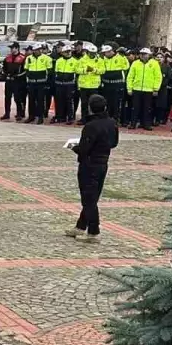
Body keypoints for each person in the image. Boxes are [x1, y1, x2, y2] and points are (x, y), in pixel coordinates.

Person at [66, 95, 119, 242]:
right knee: (92, 197)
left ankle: (94, 232)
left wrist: (73, 147)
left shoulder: (91, 126)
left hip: (89, 164)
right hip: (103, 163)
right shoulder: (112, 123)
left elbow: (83, 149)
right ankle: (81, 226)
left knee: (88, 199)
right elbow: (114, 143)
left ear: (90, 108)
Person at [126, 47, 162, 131]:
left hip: (149, 89)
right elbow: (130, 76)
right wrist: (129, 88)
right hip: (137, 88)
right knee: (135, 107)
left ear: (149, 55)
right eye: (141, 54)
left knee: (147, 108)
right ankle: (133, 123)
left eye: (145, 54)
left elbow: (158, 77)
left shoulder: (154, 63)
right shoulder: (135, 63)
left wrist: (156, 88)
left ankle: (146, 124)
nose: (143, 55)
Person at [100, 45, 129, 120]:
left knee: (116, 103)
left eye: (105, 53)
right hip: (107, 84)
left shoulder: (120, 57)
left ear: (110, 51)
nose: (104, 54)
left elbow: (126, 67)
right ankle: (108, 117)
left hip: (117, 84)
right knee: (108, 102)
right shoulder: (103, 59)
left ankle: (116, 118)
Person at [76, 49, 103, 126]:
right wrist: (85, 70)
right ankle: (84, 118)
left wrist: (94, 70)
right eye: (91, 53)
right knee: (84, 103)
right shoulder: (82, 60)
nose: (92, 54)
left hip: (94, 85)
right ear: (88, 52)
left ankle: (94, 119)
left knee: (94, 103)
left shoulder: (99, 60)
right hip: (84, 85)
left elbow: (103, 70)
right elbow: (77, 70)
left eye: (94, 53)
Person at [23, 45, 49, 125]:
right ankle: (31, 116)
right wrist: (29, 77)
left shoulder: (46, 58)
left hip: (41, 82)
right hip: (31, 82)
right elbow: (26, 69)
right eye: (36, 50)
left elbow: (49, 70)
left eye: (39, 50)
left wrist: (47, 82)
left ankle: (40, 117)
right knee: (31, 100)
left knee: (40, 100)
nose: (38, 51)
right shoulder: (29, 58)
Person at [1, 43, 26, 121]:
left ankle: (19, 114)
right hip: (9, 81)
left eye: (13, 48)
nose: (11, 49)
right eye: (11, 48)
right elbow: (4, 68)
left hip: (18, 82)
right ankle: (7, 113)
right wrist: (5, 75)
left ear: (17, 48)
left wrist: (18, 76)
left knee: (17, 98)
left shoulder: (22, 58)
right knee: (7, 98)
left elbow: (25, 70)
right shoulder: (7, 58)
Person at [52, 46, 77, 124]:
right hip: (59, 84)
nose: (68, 53)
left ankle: (70, 117)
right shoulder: (59, 61)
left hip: (69, 84)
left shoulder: (75, 61)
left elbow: (76, 73)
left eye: (69, 51)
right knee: (59, 101)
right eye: (66, 51)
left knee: (69, 101)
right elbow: (56, 71)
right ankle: (60, 117)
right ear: (62, 52)